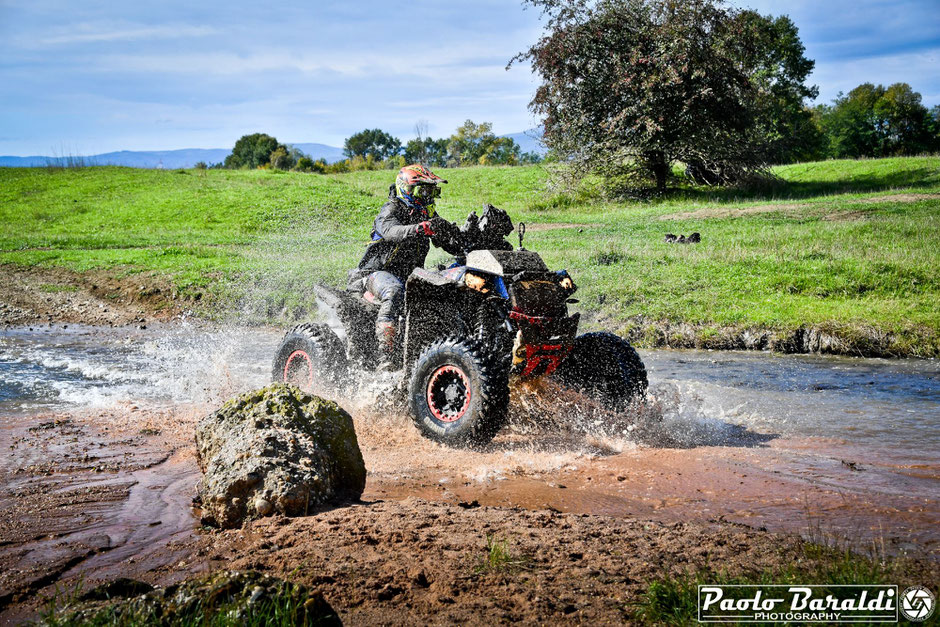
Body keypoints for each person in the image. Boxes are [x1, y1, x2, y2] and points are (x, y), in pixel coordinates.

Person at [347, 164, 460, 370]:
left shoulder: (427, 214)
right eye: (422, 190)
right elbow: (391, 231)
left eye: (431, 191)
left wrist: (467, 240)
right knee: (394, 290)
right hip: (373, 274)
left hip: (410, 276)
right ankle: (385, 357)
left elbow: (451, 243)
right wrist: (419, 228)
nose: (427, 196)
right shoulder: (390, 209)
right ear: (406, 189)